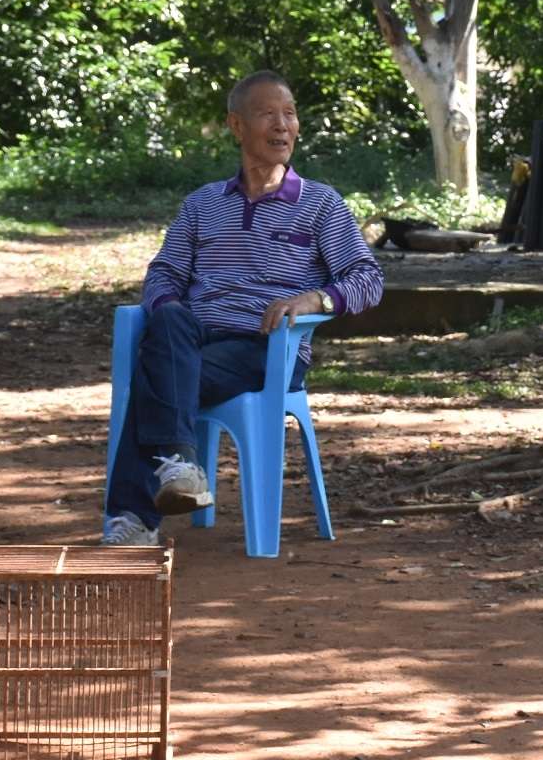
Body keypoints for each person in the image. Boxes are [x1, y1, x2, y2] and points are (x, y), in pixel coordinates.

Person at [103, 71, 383, 546]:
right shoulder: (203, 204)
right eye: (267, 114)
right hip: (192, 338)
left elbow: (367, 279)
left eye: (290, 113)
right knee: (168, 324)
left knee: (158, 375)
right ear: (237, 125)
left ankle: (134, 519)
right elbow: (164, 273)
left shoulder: (320, 204)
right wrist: (170, 307)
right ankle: (178, 470)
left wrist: (315, 298)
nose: (283, 125)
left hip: (265, 347)